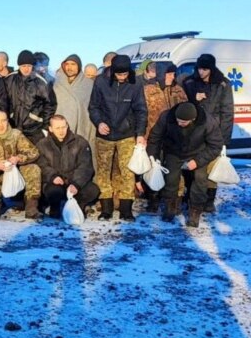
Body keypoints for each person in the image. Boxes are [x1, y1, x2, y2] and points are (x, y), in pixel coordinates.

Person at [88, 54, 148, 221]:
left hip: (126, 134)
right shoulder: (100, 82)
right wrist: (99, 122)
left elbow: (141, 110)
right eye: (119, 74)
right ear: (113, 71)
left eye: (125, 74)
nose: (122, 77)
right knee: (103, 171)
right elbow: (93, 107)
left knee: (127, 171)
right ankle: (106, 208)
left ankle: (126, 209)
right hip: (104, 135)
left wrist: (140, 133)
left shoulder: (135, 83)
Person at [147, 102, 222, 227]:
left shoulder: (207, 122)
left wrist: (198, 161)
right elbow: (155, 137)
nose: (179, 124)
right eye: (178, 120)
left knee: (200, 179)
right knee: (170, 178)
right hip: (174, 151)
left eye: (183, 122)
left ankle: (195, 211)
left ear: (192, 119)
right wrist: (153, 158)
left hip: (198, 153)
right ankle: (170, 207)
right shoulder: (167, 117)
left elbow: (215, 146)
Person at [182, 54, 234, 213]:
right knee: (193, 167)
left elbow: (227, 111)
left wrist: (224, 138)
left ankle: (209, 200)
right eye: (199, 68)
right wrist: (194, 97)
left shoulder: (222, 84)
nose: (201, 72)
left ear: (211, 69)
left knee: (211, 168)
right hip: (194, 132)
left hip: (214, 132)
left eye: (205, 69)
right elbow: (183, 105)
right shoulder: (190, 82)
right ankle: (191, 196)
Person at [142, 64, 187, 212]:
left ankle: (175, 201)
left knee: (175, 171)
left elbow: (185, 111)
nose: (172, 77)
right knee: (154, 167)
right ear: (161, 74)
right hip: (153, 136)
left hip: (175, 137)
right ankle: (153, 199)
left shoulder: (178, 90)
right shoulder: (148, 90)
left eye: (174, 74)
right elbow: (140, 113)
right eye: (169, 74)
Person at [0, 110, 42, 218]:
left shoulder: (16, 134)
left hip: (17, 171)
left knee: (34, 169)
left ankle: (31, 207)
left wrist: (19, 158)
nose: (1, 125)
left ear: (8, 121)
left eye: (3, 120)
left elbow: (34, 152)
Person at [36, 115, 100, 219]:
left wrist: (76, 184)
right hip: (55, 182)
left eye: (63, 127)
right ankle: (54, 207)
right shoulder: (42, 144)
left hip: (73, 181)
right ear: (50, 129)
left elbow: (85, 166)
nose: (61, 131)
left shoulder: (80, 142)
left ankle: (79, 206)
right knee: (53, 191)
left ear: (67, 126)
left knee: (93, 190)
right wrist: (53, 177)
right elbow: (41, 165)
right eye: (57, 128)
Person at [5, 50, 56, 144]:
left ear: (33, 66)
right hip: (13, 128)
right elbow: (3, 102)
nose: (26, 69)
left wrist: (45, 129)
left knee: (35, 157)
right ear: (19, 66)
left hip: (35, 130)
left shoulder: (41, 82)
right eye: (23, 66)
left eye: (29, 66)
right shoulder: (9, 79)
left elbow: (50, 105)